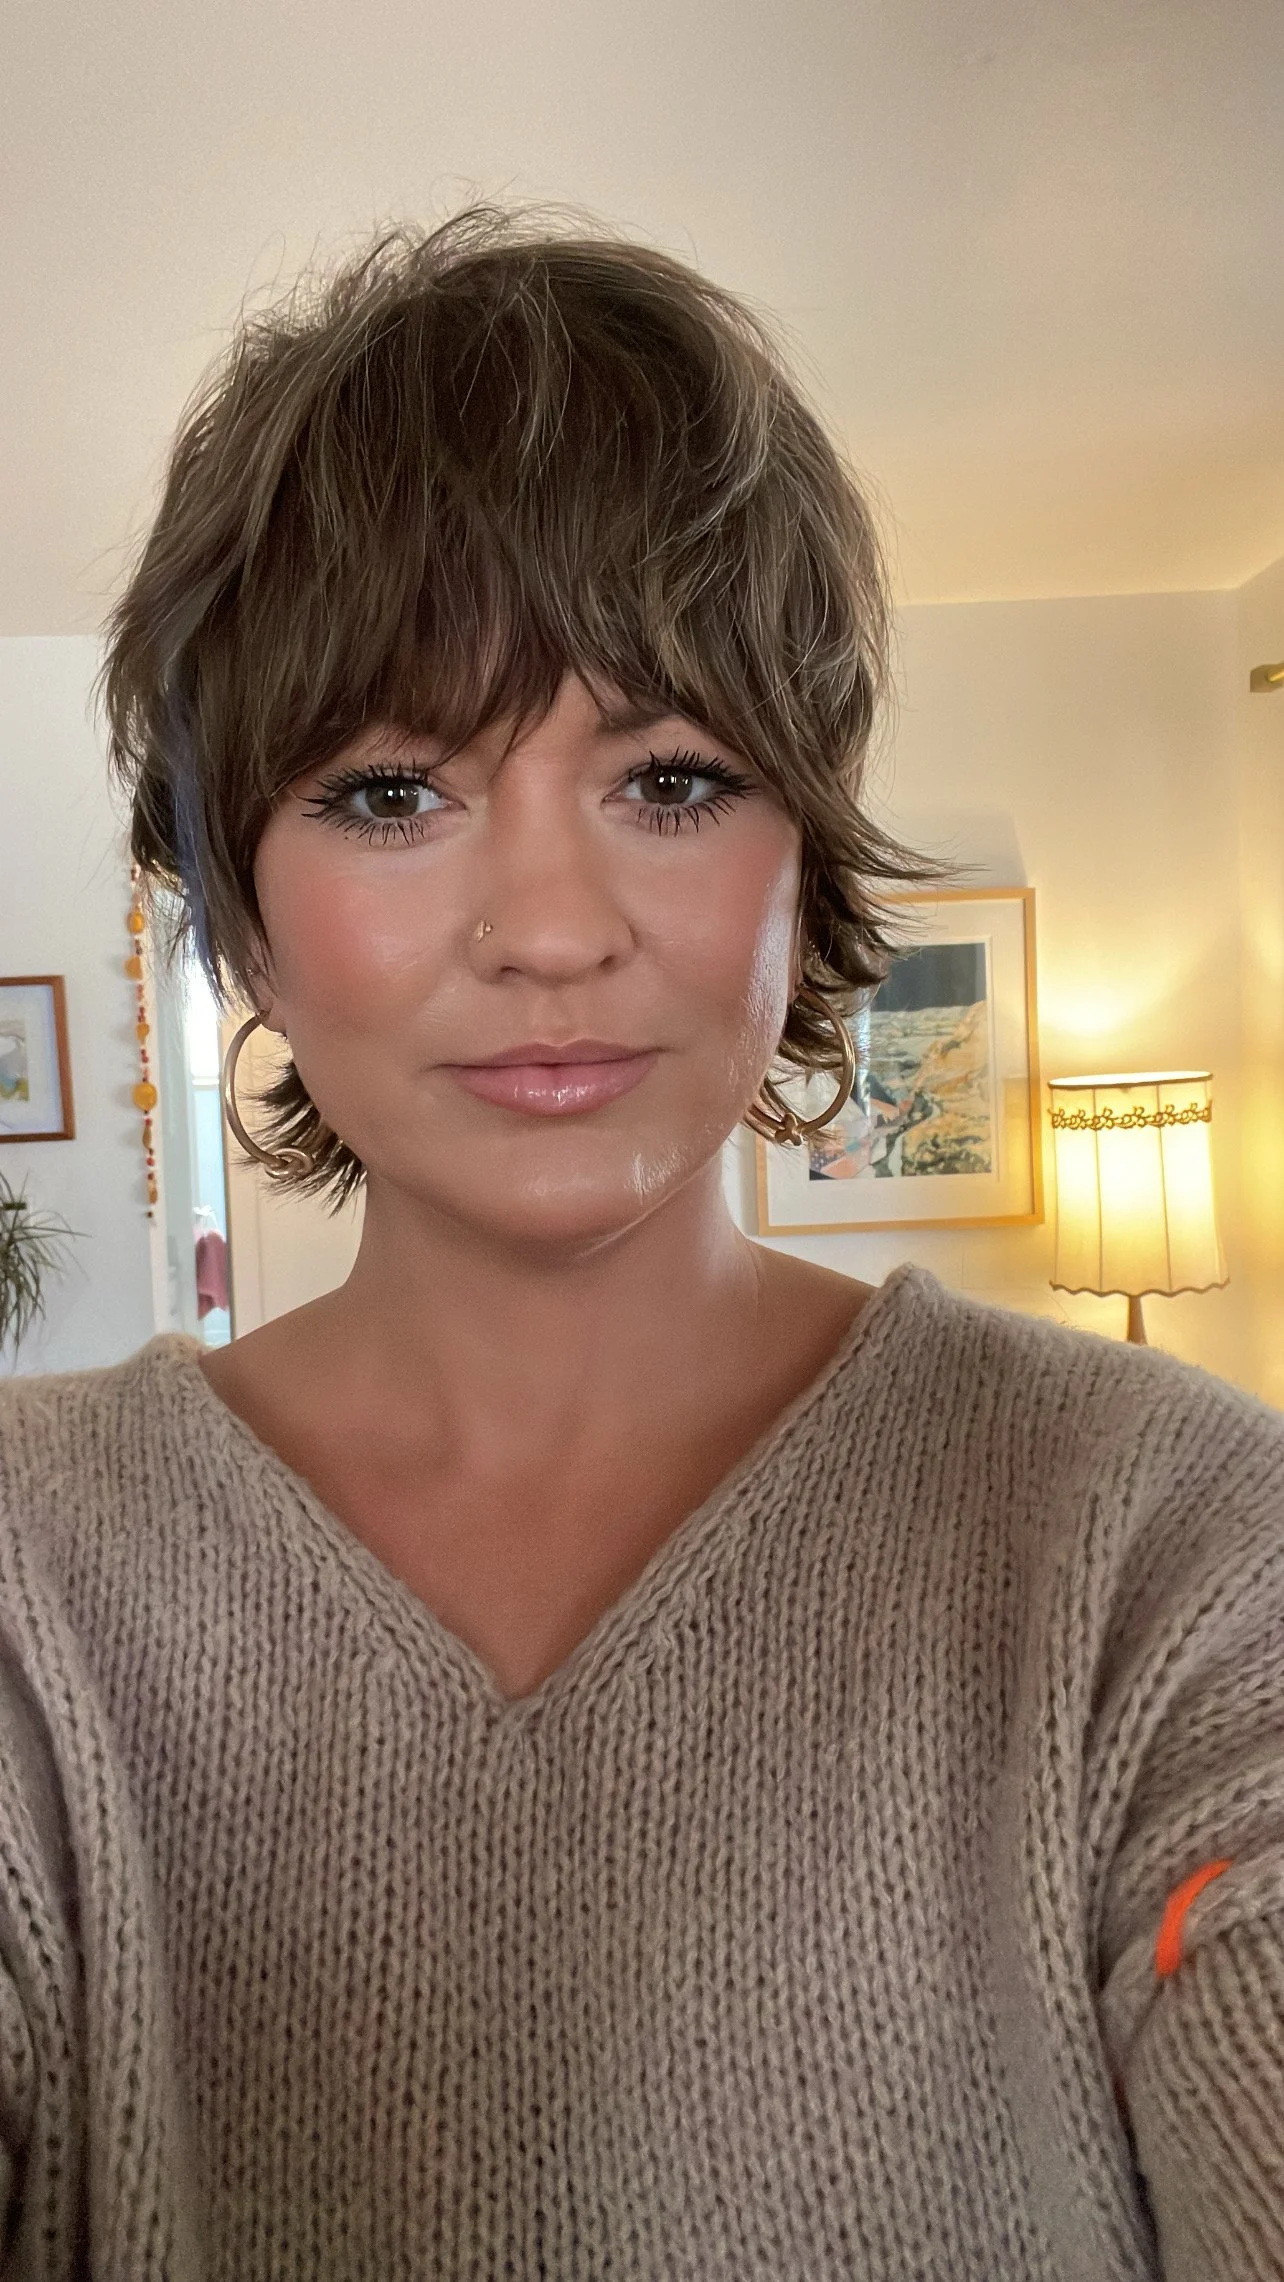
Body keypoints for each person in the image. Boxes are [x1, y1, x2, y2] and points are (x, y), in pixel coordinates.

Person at [0, 208, 1281, 2282]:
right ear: (234, 903)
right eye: (394, 789)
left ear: (806, 865)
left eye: (673, 776)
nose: (555, 929)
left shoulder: (1166, 1542)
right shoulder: (30, 1589)